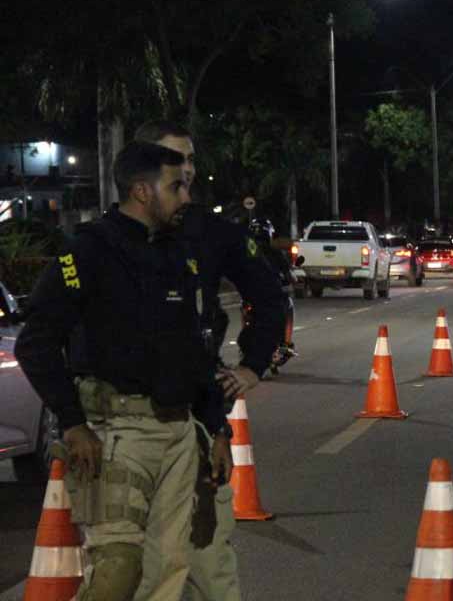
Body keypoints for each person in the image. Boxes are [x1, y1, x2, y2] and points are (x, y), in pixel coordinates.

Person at [15, 142, 216, 600]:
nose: (185, 196)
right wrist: (72, 422)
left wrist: (215, 429)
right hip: (117, 434)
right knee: (116, 571)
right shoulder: (89, 251)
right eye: (176, 186)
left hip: (179, 433)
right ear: (142, 191)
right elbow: (36, 342)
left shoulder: (178, 254)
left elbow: (196, 350)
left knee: (167, 571)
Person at [134, 120, 286, 601]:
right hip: (126, 424)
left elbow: (269, 296)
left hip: (196, 416)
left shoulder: (212, 232)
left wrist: (251, 366)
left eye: (191, 160)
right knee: (134, 565)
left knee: (208, 560)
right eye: (173, 159)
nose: (187, 171)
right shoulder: (110, 237)